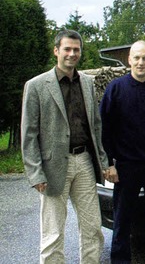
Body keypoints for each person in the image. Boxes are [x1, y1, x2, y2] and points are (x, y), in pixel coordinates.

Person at [21, 29, 109, 263]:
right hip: (52, 167)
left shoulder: (88, 83)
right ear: (56, 51)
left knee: (92, 229)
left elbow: (96, 126)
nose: (72, 54)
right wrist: (35, 173)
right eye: (67, 49)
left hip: (84, 164)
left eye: (76, 49)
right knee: (53, 233)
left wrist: (103, 161)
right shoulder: (37, 85)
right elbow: (28, 134)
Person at [99, 40, 145, 263]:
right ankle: (120, 260)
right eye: (137, 58)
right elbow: (104, 128)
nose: (141, 62)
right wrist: (109, 163)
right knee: (123, 219)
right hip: (126, 166)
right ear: (129, 60)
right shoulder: (116, 89)